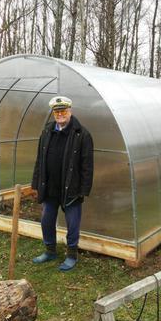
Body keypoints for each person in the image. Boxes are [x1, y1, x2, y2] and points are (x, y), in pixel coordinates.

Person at [31, 96, 94, 271]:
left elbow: (87, 165)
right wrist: (36, 183)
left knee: (72, 224)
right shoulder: (47, 131)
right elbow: (40, 160)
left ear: (70, 111)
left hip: (71, 189)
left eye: (63, 111)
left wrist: (83, 190)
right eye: (57, 111)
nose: (60, 114)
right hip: (50, 187)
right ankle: (50, 251)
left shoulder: (82, 134)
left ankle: (72, 255)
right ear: (53, 113)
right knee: (46, 220)